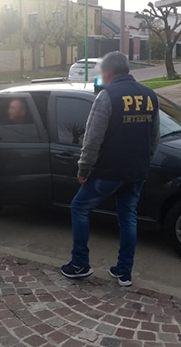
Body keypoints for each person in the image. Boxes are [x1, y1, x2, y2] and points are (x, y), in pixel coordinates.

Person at [60, 51, 160, 287]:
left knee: (79, 207)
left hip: (108, 171)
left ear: (108, 72)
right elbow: (155, 137)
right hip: (136, 172)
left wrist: (83, 169)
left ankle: (79, 264)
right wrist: (144, 163)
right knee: (128, 218)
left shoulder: (107, 96)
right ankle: (124, 272)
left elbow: (92, 138)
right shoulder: (150, 95)